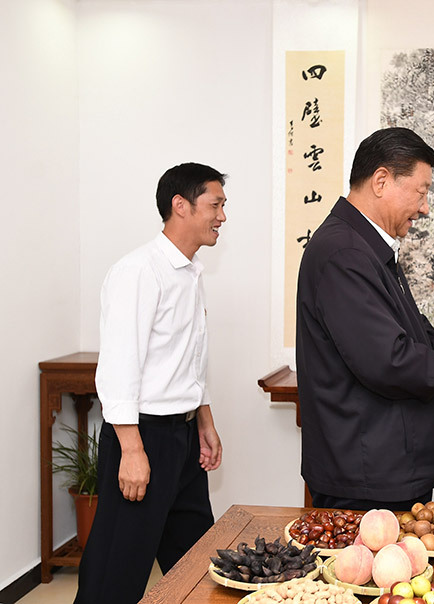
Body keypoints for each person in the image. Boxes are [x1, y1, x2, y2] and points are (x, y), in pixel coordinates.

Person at [295, 127, 434, 512]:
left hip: (381, 469)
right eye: (421, 191)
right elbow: (387, 360)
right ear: (381, 181)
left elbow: (416, 332)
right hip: (364, 478)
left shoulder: (366, 246)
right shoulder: (344, 252)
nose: (425, 207)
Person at [75, 163, 227, 604]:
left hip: (181, 438)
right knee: (116, 572)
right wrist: (132, 450)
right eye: (215, 205)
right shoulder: (138, 271)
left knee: (199, 565)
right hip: (143, 437)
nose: (222, 216)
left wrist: (204, 420)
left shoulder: (191, 273)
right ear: (180, 205)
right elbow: (120, 368)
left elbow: (188, 360)